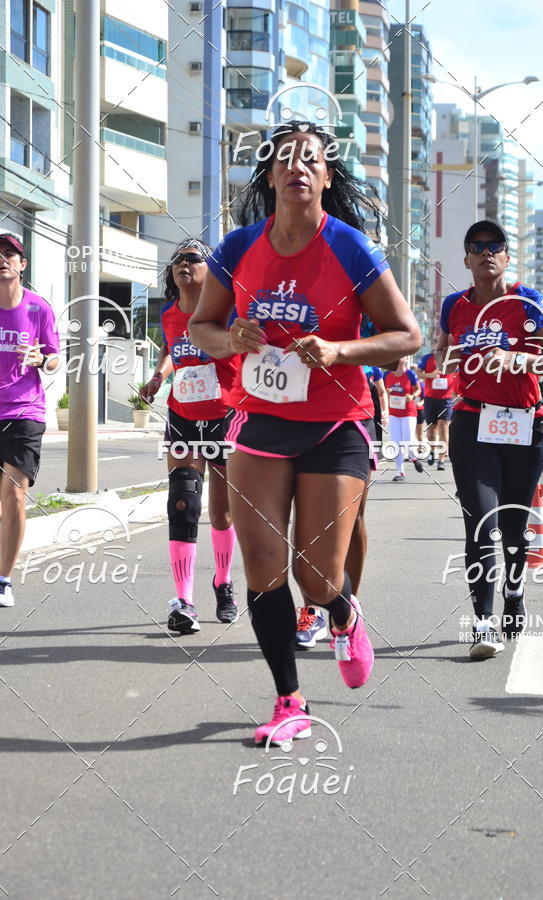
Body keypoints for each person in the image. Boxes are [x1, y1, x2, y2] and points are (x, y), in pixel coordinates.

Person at [190, 121, 420, 744]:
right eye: (284, 159)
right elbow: (201, 328)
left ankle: (343, 615)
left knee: (316, 579)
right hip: (261, 421)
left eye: (309, 160)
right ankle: (288, 701)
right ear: (268, 176)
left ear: (325, 176)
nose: (296, 167)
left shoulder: (349, 248)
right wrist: (229, 338)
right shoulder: (236, 249)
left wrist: (342, 350)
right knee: (263, 569)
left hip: (334, 425)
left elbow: (407, 336)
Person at [436, 221, 543, 659]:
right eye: (477, 246)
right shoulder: (454, 305)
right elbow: (443, 353)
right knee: (481, 522)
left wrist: (515, 358)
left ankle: (514, 590)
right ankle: (482, 623)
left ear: (507, 257)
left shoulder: (528, 302)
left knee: (513, 526)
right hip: (473, 423)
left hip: (526, 425)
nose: (486, 252)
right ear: (467, 258)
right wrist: (451, 360)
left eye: (495, 246)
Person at [140, 240, 238, 633]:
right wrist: (157, 377)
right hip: (183, 416)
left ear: (209, 270)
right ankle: (184, 601)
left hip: (226, 416)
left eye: (193, 258)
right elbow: (170, 350)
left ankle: (224, 582)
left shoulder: (229, 311)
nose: (183, 264)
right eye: (178, 259)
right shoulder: (168, 313)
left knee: (222, 513)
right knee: (182, 503)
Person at [295, 360, 388, 650]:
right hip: (304, 407)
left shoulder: (369, 316)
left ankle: (347, 608)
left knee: (355, 516)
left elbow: (393, 350)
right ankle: (311, 612)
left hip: (355, 412)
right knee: (308, 516)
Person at [0, 234, 60, 607]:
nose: (2, 260)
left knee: (14, 497)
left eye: (10, 255)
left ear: (22, 264)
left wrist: (42, 360)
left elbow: (55, 358)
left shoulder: (38, 309)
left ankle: (3, 579)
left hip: (24, 412)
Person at [383, 359, 423, 482]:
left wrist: (413, 396)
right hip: (394, 413)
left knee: (408, 441)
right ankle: (400, 472)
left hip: (408, 413)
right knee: (396, 444)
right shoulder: (387, 375)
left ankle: (414, 458)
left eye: (404, 358)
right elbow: (383, 391)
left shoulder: (410, 374)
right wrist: (387, 392)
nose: (402, 361)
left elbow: (418, 389)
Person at [417, 349, 454, 470]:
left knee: (444, 426)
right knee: (432, 429)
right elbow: (418, 374)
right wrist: (429, 375)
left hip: (446, 399)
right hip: (430, 398)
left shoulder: (452, 357)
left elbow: (461, 373)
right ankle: (433, 451)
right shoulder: (427, 358)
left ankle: (442, 459)